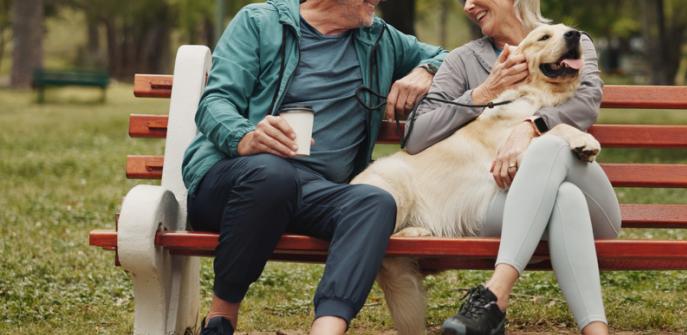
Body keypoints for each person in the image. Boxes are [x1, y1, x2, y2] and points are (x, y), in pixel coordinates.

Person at [180, 0, 447, 334]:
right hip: (237, 179)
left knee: (374, 202)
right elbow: (215, 102)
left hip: (314, 192)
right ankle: (221, 319)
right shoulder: (260, 23)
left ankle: (327, 328)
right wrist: (245, 136)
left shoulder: (379, 39)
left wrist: (428, 69)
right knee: (273, 176)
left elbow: (451, 57)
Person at [403, 0, 619, 334]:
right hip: (503, 204)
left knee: (550, 144)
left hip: (591, 200)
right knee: (564, 199)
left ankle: (495, 295)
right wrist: (485, 91)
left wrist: (530, 127)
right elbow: (417, 136)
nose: (468, 5)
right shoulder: (463, 60)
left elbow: (586, 101)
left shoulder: (573, 42)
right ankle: (596, 331)